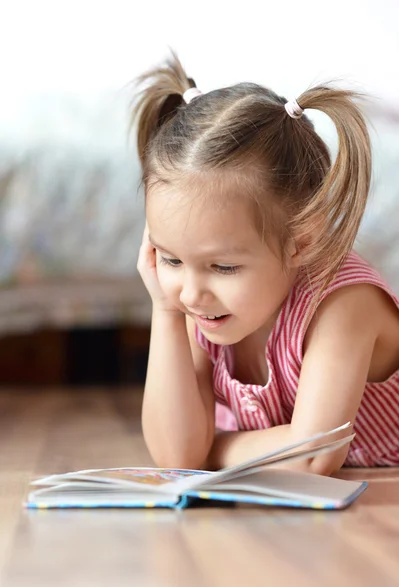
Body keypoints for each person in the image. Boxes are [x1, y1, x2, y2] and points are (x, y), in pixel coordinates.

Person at [131, 52, 399, 475]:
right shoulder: (196, 301)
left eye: (223, 267)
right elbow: (177, 456)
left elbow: (311, 454)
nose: (191, 291)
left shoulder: (344, 303)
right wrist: (164, 310)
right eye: (171, 258)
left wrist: (212, 450)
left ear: (302, 242)